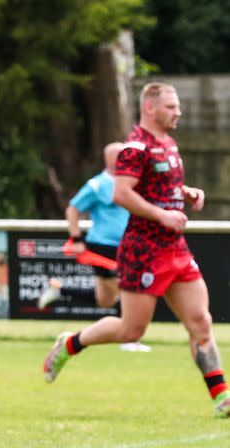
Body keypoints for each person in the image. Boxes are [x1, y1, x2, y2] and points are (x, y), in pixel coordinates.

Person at [43, 82, 230, 419]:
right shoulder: (135, 147)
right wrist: (163, 214)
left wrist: (186, 193)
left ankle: (222, 398)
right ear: (150, 109)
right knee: (132, 330)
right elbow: (122, 194)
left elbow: (160, 187)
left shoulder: (169, 145)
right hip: (143, 250)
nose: (179, 112)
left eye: (177, 106)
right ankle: (70, 343)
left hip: (175, 249)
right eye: (171, 107)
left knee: (201, 322)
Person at [37, 142, 151, 352]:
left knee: (105, 300)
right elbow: (72, 210)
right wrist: (77, 239)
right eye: (120, 156)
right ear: (110, 159)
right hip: (103, 247)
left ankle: (59, 289)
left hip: (126, 246)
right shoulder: (97, 185)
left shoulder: (132, 183)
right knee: (127, 288)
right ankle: (128, 339)